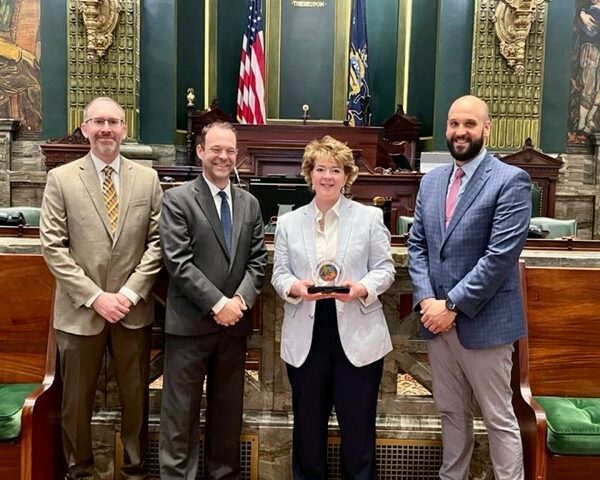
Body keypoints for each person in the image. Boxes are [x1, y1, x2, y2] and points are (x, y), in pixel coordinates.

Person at [407, 95, 531, 480]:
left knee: (498, 417)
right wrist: (428, 299)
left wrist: (452, 306)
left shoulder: (510, 180)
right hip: (437, 323)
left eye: (470, 124)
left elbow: (499, 257)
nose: (460, 132)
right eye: (454, 124)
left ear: (486, 128)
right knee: (450, 412)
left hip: (485, 323)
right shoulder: (432, 181)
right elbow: (418, 245)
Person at [40, 96, 163, 480]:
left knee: (136, 400)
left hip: (133, 311)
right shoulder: (61, 179)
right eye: (98, 122)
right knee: (76, 404)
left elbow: (158, 242)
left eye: (113, 122)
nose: (106, 129)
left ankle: (135, 471)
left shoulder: (148, 179)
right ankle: (80, 472)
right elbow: (53, 246)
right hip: (79, 313)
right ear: (85, 128)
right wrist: (96, 297)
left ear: (125, 129)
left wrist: (127, 295)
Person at [271, 135, 395, 480]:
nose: (328, 176)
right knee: (308, 432)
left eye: (336, 170)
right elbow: (279, 274)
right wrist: (295, 288)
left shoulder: (369, 218)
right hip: (307, 331)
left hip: (357, 331)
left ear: (347, 176)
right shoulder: (289, 222)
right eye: (321, 169)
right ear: (309, 174)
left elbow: (385, 269)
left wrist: (362, 288)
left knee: (358, 433)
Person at [158, 121, 267, 480]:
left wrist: (239, 300)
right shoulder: (176, 199)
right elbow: (178, 262)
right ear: (200, 151)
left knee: (227, 416)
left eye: (230, 150)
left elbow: (257, 261)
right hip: (190, 326)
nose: (223, 156)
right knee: (179, 418)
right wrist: (218, 304)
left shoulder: (249, 203)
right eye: (216, 149)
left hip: (233, 329)